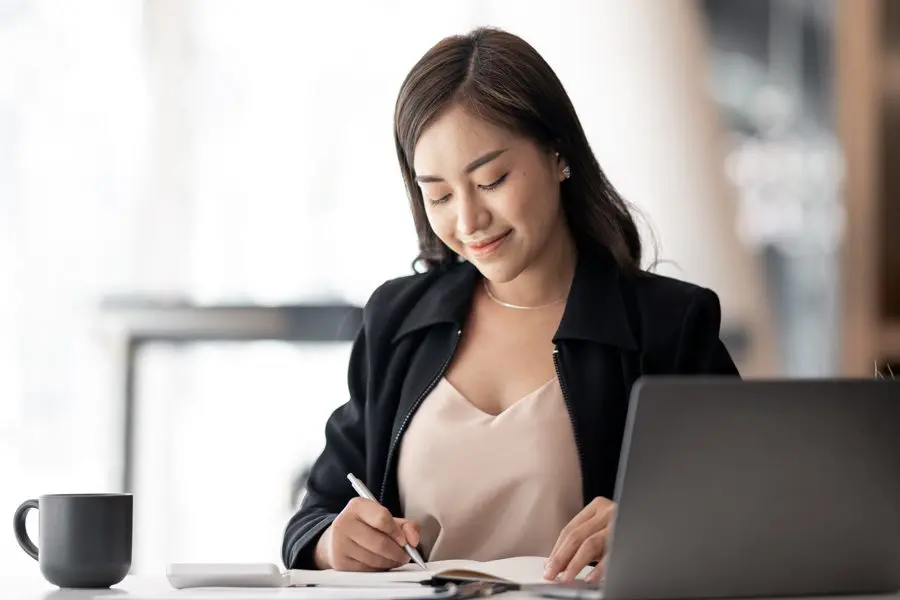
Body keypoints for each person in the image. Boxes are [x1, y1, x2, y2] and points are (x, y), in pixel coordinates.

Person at [281, 26, 739, 582]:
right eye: (440, 196)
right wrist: (332, 543)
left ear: (558, 155)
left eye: (492, 180)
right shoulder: (398, 321)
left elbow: (748, 516)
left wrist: (656, 528)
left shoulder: (669, 326)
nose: (469, 222)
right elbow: (315, 514)